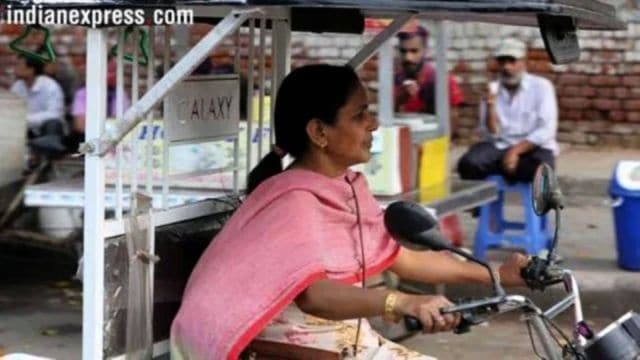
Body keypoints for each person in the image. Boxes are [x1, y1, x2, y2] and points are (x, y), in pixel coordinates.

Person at [170, 64, 529, 360]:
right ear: (319, 131)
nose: (372, 124)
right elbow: (316, 296)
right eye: (360, 115)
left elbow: (398, 259)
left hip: (341, 341)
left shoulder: (347, 187)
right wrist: (403, 301)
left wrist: (497, 274)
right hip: (294, 349)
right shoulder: (292, 201)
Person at [457, 38, 558, 183]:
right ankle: (500, 179)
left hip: (532, 147)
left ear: (524, 62)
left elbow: (546, 131)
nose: (507, 67)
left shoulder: (542, 87)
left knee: (541, 171)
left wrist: (515, 151)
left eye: (512, 61)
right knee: (468, 164)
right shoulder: (492, 90)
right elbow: (490, 134)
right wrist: (490, 107)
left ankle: (509, 169)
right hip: (499, 145)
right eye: (502, 62)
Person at [394, 24, 464, 137]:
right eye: (403, 51)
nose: (408, 58)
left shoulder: (442, 81)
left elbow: (453, 127)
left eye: (414, 51)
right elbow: (385, 124)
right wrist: (399, 100)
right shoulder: (394, 81)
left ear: (425, 51)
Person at [68, 59, 131, 149]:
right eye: (109, 71)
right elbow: (79, 126)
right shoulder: (83, 93)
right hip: (88, 138)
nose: (112, 75)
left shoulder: (120, 94)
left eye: (114, 71)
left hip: (113, 139)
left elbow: (125, 123)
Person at [11, 55, 66, 154]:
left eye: (19, 65)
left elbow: (55, 114)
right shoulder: (18, 86)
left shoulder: (50, 86)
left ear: (31, 69)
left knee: (53, 123)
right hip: (26, 130)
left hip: (47, 130)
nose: (15, 68)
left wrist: (27, 120)